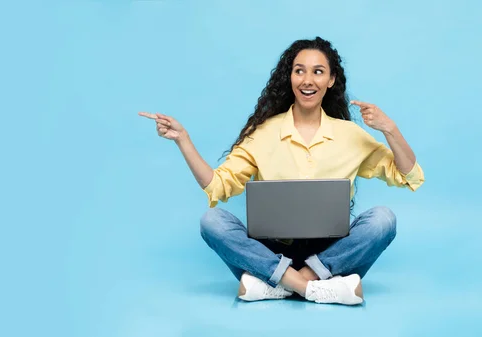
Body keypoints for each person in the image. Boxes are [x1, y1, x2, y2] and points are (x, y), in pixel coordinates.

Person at [139, 37, 424, 306]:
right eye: (299, 71)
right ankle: (316, 288)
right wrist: (183, 140)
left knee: (384, 219)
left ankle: (279, 284)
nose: (308, 80)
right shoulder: (264, 132)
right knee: (212, 221)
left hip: (330, 252)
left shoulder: (351, 135)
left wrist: (390, 129)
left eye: (318, 72)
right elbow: (217, 185)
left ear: (331, 80)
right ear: (290, 78)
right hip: (272, 251)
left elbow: (408, 175)